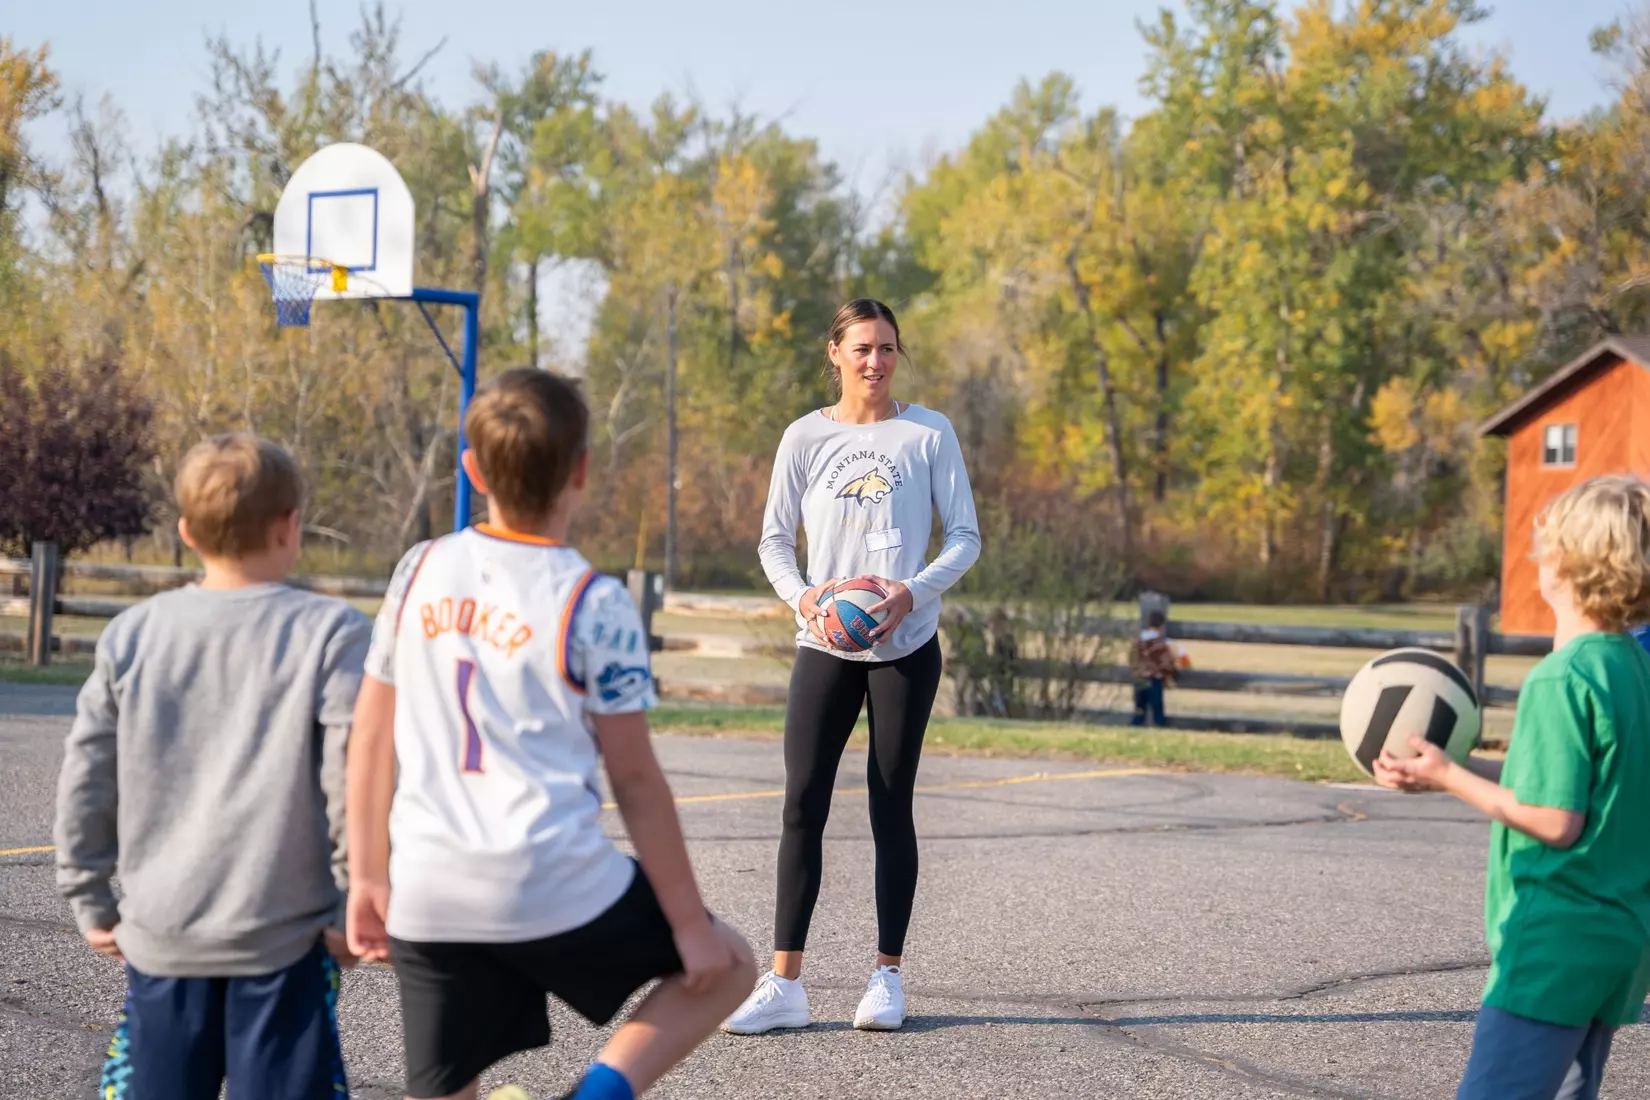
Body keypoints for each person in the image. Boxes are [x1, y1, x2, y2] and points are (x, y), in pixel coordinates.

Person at [345, 368, 754, 1100]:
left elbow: (371, 736)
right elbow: (634, 780)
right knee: (729, 966)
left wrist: (369, 874)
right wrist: (689, 923)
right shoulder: (592, 601)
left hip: (429, 884)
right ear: (583, 471)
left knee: (445, 1085)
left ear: (471, 471)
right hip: (552, 881)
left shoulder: (420, 569)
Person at [54, 434, 370, 1100]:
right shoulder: (331, 633)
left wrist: (88, 895)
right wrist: (353, 897)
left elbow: (88, 772)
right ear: (290, 526)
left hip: (162, 934)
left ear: (186, 531)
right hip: (283, 941)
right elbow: (352, 777)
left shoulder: (133, 634)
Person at [725, 298, 981, 1036]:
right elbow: (775, 540)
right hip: (826, 644)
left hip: (905, 646)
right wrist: (805, 600)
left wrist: (910, 591)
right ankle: (785, 985)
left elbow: (964, 537)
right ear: (833, 351)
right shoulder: (804, 436)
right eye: (862, 348)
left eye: (888, 349)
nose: (876, 361)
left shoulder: (928, 433)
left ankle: (886, 977)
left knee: (889, 805)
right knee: (802, 804)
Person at [1375, 475, 1650, 1100]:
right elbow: (1584, 786)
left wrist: (1446, 775)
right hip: (1620, 942)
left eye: (1546, 545)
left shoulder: (1563, 677)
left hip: (1555, 940)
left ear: (1570, 562)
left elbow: (1557, 820)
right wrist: (1447, 774)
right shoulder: (1634, 667)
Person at [1130, 609, 1182, 727]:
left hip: (1139, 678)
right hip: (1154, 679)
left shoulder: (1138, 641)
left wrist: (1137, 670)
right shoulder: (1159, 644)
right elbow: (1165, 663)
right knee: (1157, 708)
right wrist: (1174, 670)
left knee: (1139, 707)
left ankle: (1136, 725)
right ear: (1162, 626)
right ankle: (1159, 726)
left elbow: (1132, 659)